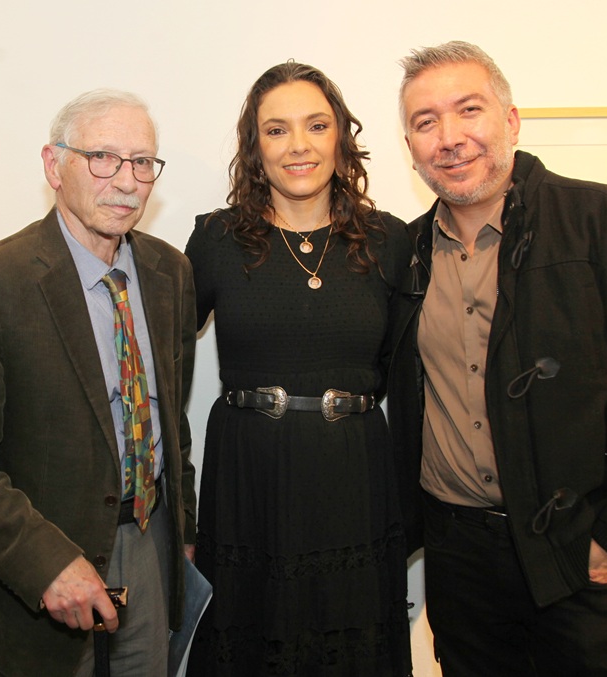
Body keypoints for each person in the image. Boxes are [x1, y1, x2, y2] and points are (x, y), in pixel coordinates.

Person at [388, 40, 607, 676]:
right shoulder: (405, 253)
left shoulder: (603, 218)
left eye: (469, 110)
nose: (450, 138)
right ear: (411, 146)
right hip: (460, 562)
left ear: (510, 120)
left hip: (575, 549)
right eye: (426, 123)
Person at [0, 89, 197, 677]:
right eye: (102, 157)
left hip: (151, 549)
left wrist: (184, 535)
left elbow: (172, 426)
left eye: (143, 162)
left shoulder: (169, 273)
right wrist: (45, 563)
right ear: (54, 165)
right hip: (44, 571)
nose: (126, 181)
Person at [185, 62, 413, 676]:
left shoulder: (391, 242)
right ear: (255, 149)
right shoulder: (215, 241)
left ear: (340, 134)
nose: (299, 145)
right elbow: (163, 367)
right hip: (247, 478)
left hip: (355, 477)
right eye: (277, 130)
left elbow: (406, 371)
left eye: (316, 125)